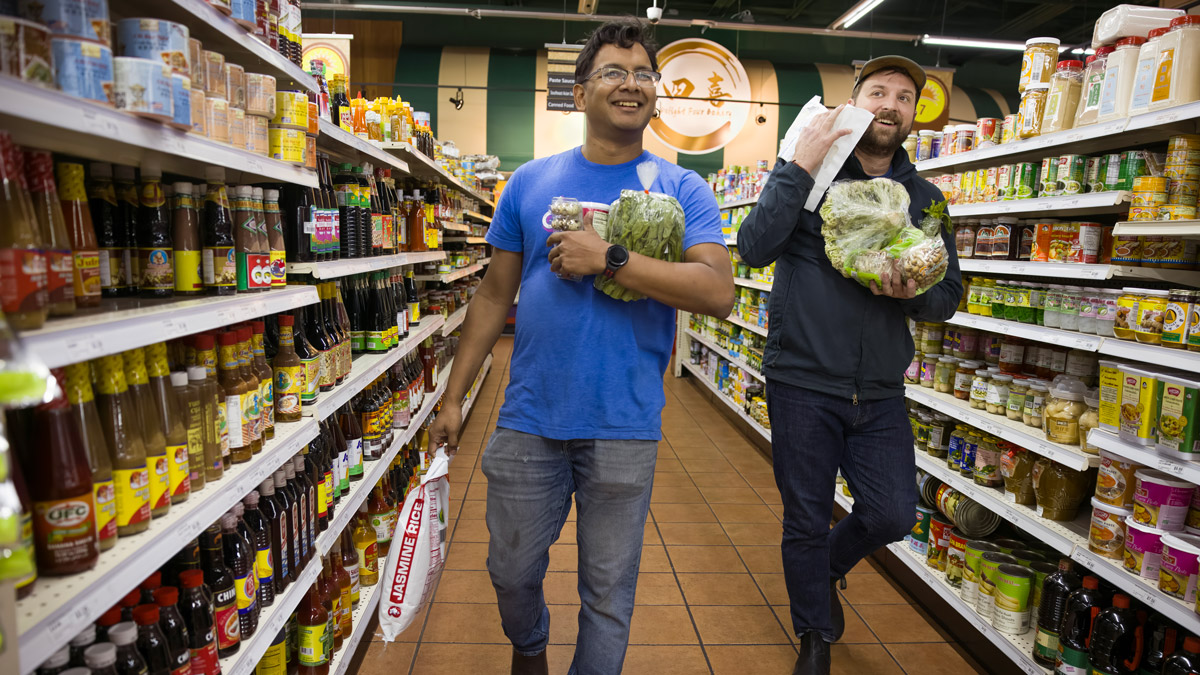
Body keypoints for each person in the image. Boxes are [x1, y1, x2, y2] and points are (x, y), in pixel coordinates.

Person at [426, 18, 734, 675]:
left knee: (609, 592)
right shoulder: (528, 183)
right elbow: (490, 296)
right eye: (614, 72)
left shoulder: (684, 189)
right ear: (579, 91)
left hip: (624, 422)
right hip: (529, 414)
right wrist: (453, 396)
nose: (632, 84)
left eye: (645, 73)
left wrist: (611, 258)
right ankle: (529, 642)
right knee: (508, 569)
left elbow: (716, 291)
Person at [735, 56, 962, 675]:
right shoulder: (809, 177)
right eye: (878, 92)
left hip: (882, 390)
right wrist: (799, 162)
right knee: (804, 515)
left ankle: (827, 568)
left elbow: (947, 298)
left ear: (916, 114)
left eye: (905, 97)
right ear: (854, 103)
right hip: (803, 380)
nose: (891, 104)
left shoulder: (927, 201)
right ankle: (814, 633)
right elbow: (753, 249)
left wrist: (907, 290)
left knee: (893, 513)